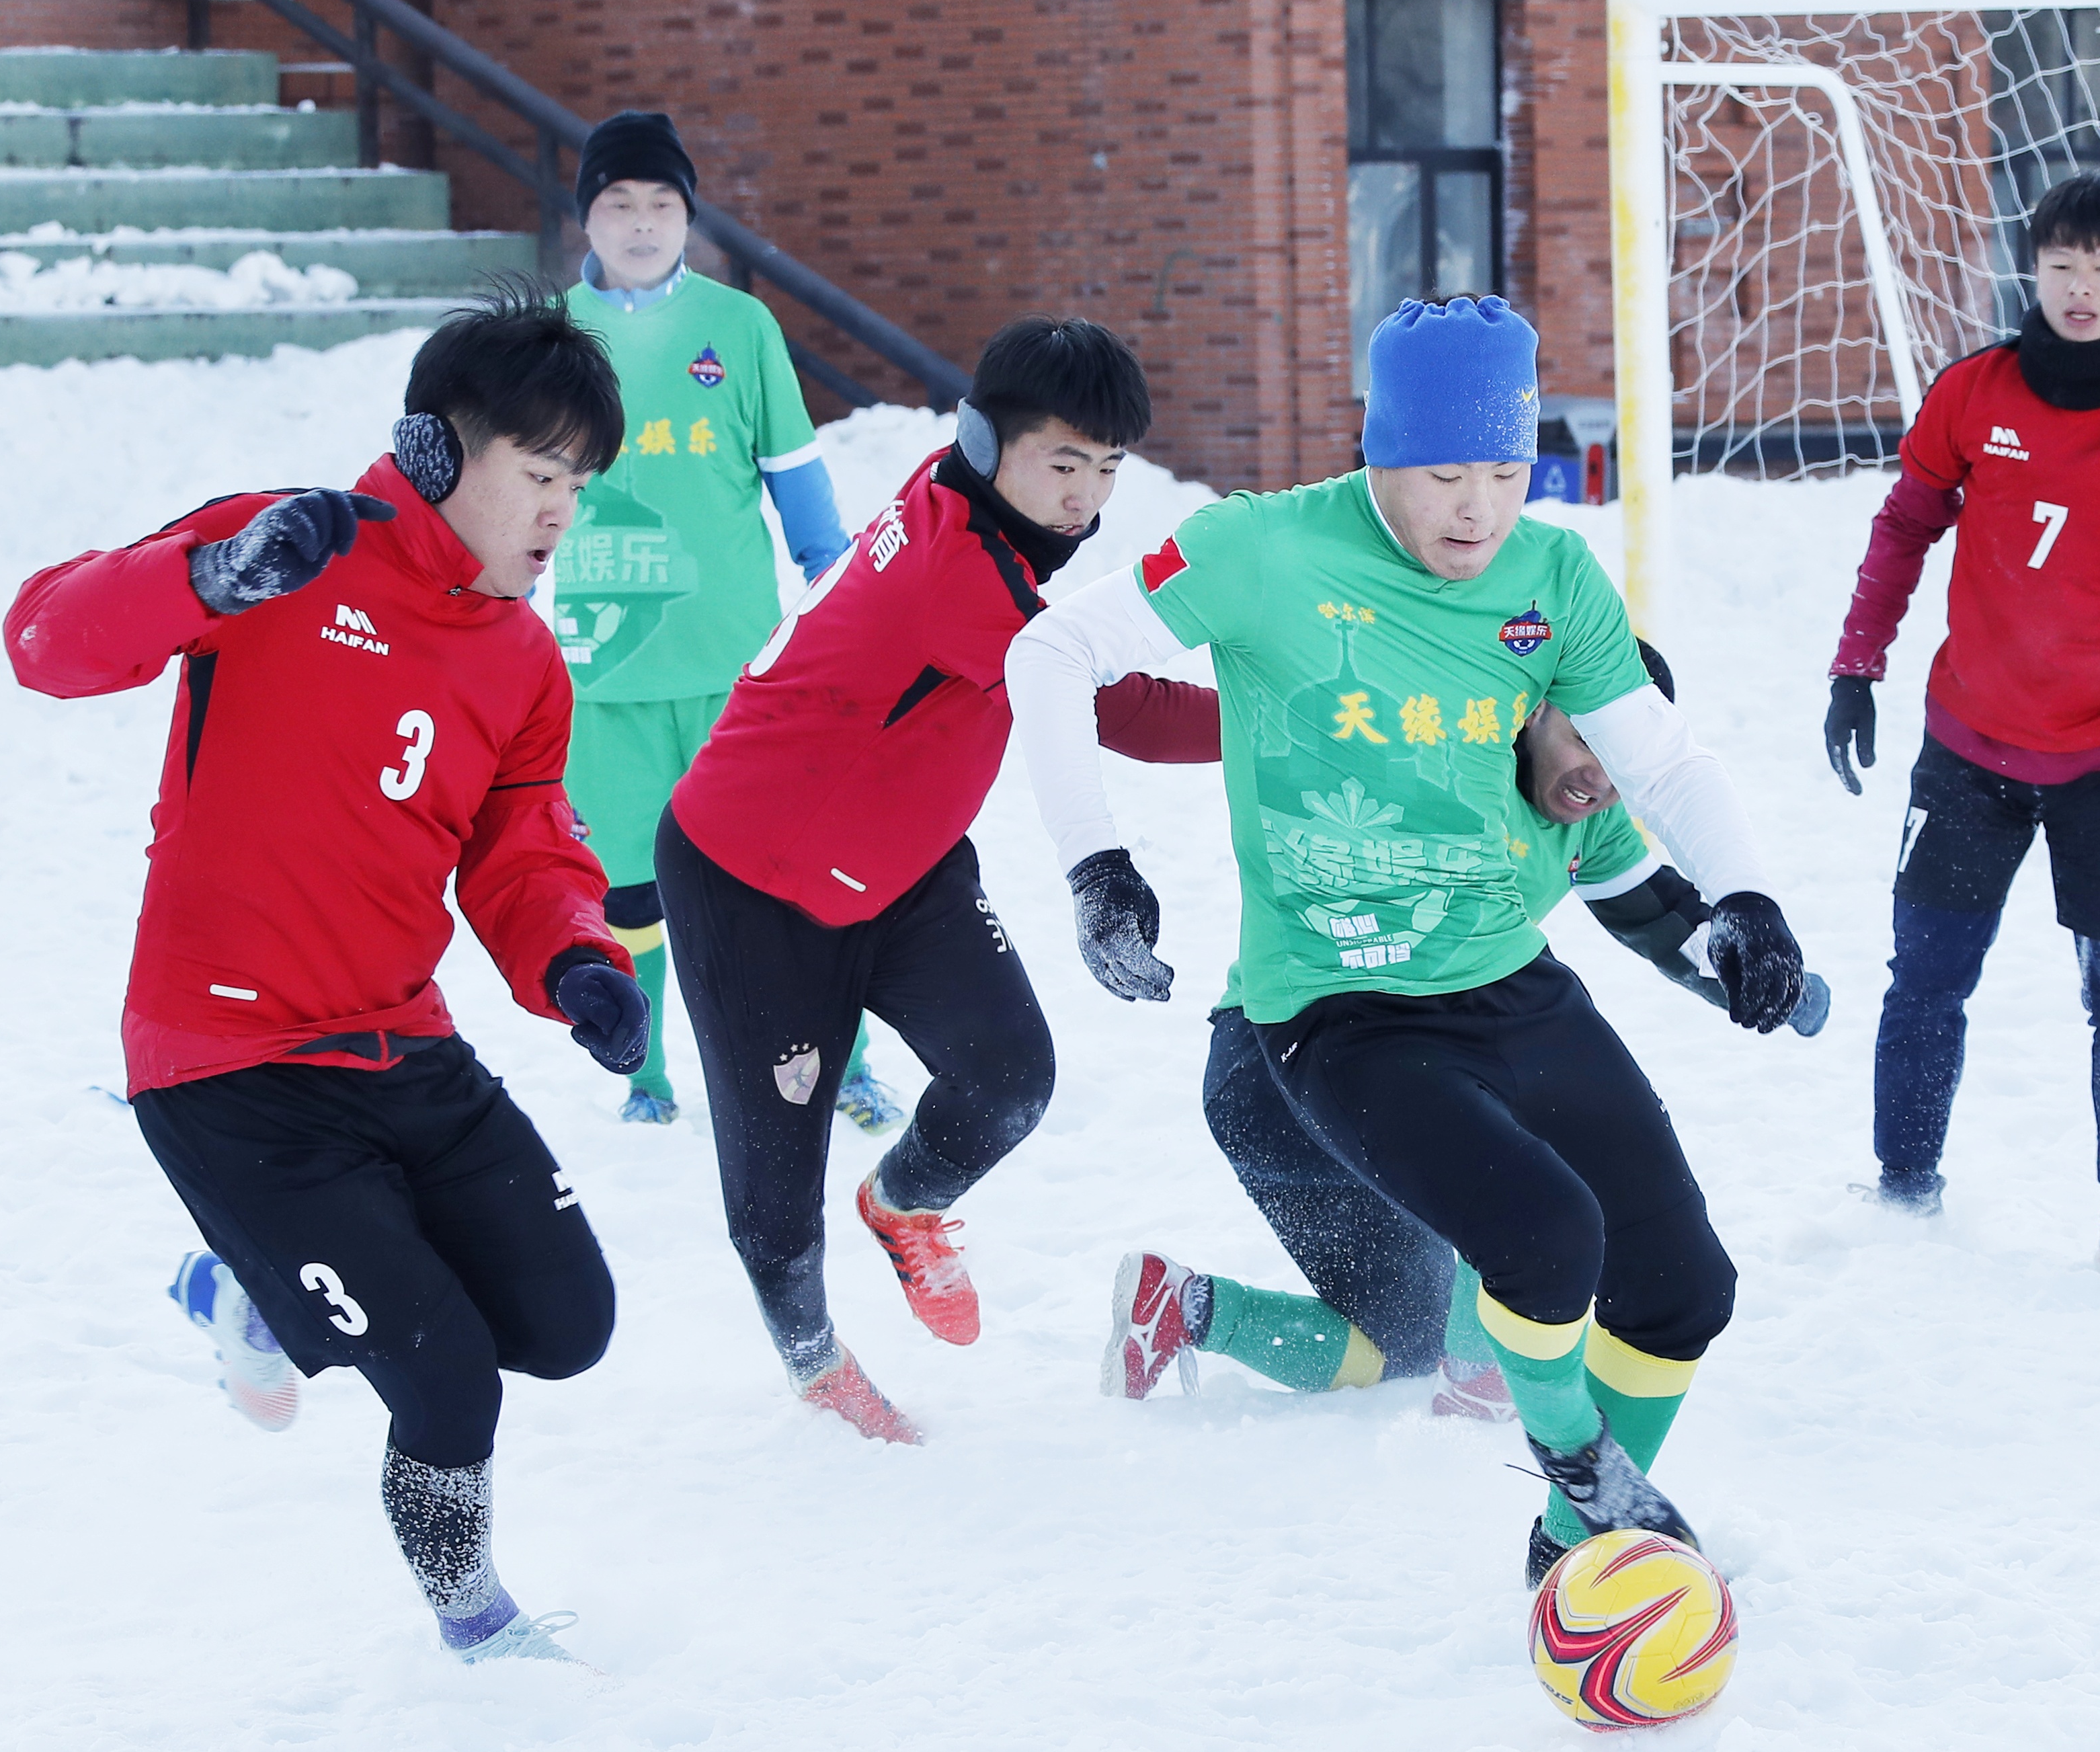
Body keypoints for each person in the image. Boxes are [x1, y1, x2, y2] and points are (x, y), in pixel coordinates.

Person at [1004, 295, 1809, 1583]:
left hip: (1508, 983)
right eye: (1445, 475)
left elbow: (1661, 758)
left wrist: (1748, 907)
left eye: (1506, 471)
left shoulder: (1553, 581)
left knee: (1685, 1283)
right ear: (1379, 451)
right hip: (1337, 1009)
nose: (1480, 509)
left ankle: (1569, 1550)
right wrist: (1098, 870)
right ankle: (1587, 1481)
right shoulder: (1263, 551)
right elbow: (1050, 653)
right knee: (1544, 1243)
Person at [6, 288, 648, 1664]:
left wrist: (574, 955)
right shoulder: (285, 546)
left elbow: (523, 839)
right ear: (435, 451)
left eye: (579, 487)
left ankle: (250, 1292)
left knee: (569, 1321)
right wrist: (208, 578)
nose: (560, 515)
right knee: (447, 1374)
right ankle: (476, 1618)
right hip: (229, 1063)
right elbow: (44, 642)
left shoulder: (525, 658)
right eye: (539, 476)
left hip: (404, 1046)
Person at [655, 316, 1209, 1439]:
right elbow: (1116, 710)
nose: (1085, 498)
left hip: (901, 871)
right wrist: (1278, 717)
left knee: (1009, 1077)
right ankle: (817, 1368)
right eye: (1063, 463)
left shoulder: (959, 496)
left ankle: (904, 1199)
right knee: (776, 1181)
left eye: (1107, 470)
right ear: (983, 437)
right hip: (749, 882)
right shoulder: (962, 576)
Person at [1104, 646, 1833, 1424]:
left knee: (1404, 1343)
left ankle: (1187, 1307)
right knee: (1518, 1141)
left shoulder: (1591, 820)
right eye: (1588, 742)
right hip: (1283, 1062)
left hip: (1352, 1078)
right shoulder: (1449, 773)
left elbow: (1660, 915)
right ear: (1530, 709)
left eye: (1626, 760)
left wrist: (1757, 969)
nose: (1601, 777)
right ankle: (1482, 1376)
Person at [1820, 171, 2100, 1285]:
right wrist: (1856, 665)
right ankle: (1905, 1197)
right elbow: (1903, 528)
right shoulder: (1974, 392)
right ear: (2032, 271)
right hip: (1970, 747)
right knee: (1925, 981)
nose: (2080, 288)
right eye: (2062, 265)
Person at [552, 110, 895, 1132]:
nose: (643, 222)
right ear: (589, 218)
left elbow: (797, 483)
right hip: (604, 668)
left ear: (689, 218)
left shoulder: (740, 329)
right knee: (626, 894)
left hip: (739, 666)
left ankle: (847, 1066)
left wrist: (844, 601)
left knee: (788, 878)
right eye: (621, 203)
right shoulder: (547, 333)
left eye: (663, 204)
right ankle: (645, 1076)